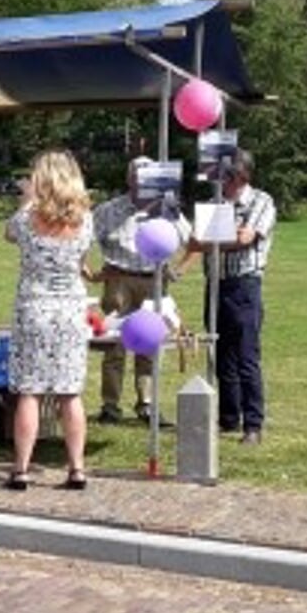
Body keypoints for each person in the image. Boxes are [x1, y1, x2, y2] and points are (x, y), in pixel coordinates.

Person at [2, 150, 96, 491]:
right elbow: (82, 258)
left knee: (30, 391)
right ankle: (76, 468)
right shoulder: (85, 218)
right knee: (70, 392)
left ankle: (22, 468)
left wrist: (27, 201)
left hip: (34, 306)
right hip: (70, 308)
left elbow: (9, 234)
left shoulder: (27, 218)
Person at [91, 156, 191, 426]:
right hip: (119, 280)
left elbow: (188, 236)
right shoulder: (109, 210)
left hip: (154, 280)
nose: (141, 180)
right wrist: (93, 273)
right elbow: (83, 239)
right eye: (137, 175)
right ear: (129, 178)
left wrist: (178, 268)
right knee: (114, 343)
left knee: (149, 343)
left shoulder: (165, 207)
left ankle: (146, 403)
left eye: (148, 175)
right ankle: (110, 405)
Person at [187, 149, 277, 445]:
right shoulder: (215, 204)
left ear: (243, 176)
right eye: (221, 176)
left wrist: (213, 240)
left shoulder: (261, 201)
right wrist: (222, 239)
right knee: (220, 352)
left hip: (244, 285)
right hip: (215, 284)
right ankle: (228, 418)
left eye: (228, 177)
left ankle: (253, 424)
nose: (222, 182)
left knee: (246, 356)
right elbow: (194, 242)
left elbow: (245, 239)